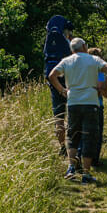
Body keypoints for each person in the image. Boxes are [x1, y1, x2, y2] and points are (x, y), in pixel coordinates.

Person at [48, 37, 107, 183]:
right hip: (91, 102)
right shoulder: (94, 60)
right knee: (89, 136)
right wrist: (104, 88)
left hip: (73, 102)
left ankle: (71, 168)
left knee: (73, 135)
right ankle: (86, 174)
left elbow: (51, 75)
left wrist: (62, 90)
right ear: (84, 46)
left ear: (72, 49)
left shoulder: (66, 61)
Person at [43, 15, 75, 156]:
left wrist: (59, 89)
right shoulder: (67, 42)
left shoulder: (49, 41)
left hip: (55, 85)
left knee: (59, 118)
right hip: (69, 84)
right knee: (74, 116)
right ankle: (75, 147)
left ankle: (62, 147)